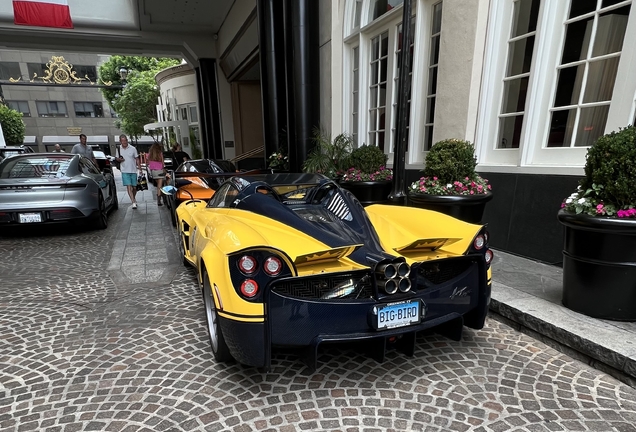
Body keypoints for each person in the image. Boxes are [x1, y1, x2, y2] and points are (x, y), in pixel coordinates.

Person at [115, 134, 141, 209]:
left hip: (133, 170)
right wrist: (119, 160)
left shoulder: (133, 148)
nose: (124, 142)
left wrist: (140, 169)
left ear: (127, 140)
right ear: (120, 141)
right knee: (129, 186)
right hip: (124, 170)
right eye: (122, 141)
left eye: (125, 140)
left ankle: (133, 198)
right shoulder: (118, 149)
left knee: (134, 187)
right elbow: (116, 158)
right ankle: (133, 202)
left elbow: (137, 159)